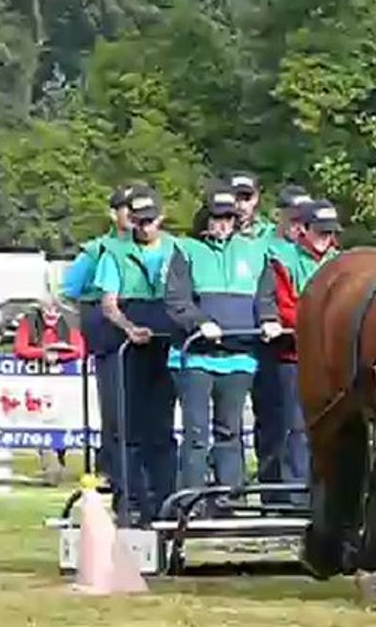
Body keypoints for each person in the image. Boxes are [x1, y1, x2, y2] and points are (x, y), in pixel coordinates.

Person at [164, 183, 283, 503]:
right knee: (196, 434)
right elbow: (176, 300)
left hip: (239, 357)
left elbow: (265, 298)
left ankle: (230, 500)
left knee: (230, 432)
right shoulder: (186, 250)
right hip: (195, 358)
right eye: (216, 218)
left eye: (228, 218)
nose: (222, 224)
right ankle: (190, 501)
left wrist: (269, 320)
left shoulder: (255, 251)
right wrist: (200, 322)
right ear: (205, 218)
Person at [94, 186, 179, 525]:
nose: (144, 228)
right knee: (129, 427)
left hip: (168, 344)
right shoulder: (114, 253)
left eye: (150, 221)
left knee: (162, 426)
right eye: (139, 221)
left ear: (161, 218)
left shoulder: (178, 249)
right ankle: (130, 500)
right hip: (130, 347)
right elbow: (108, 304)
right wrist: (129, 328)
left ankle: (165, 498)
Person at [257, 198, 341, 505]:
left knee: (333, 427)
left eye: (330, 232)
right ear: (302, 229)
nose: (326, 238)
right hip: (294, 356)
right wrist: (320, 322)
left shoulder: (341, 261)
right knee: (295, 426)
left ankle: (330, 494)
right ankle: (295, 496)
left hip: (333, 359)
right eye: (320, 231)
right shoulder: (281, 259)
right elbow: (280, 304)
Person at [58, 184, 134, 483]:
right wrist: (86, 327)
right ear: (114, 213)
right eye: (127, 208)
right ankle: (114, 471)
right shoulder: (96, 251)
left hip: (148, 337)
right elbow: (66, 295)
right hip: (110, 340)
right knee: (116, 411)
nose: (134, 214)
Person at [13, 297, 87, 484]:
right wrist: (43, 353)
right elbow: (20, 348)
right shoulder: (28, 322)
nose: (52, 314)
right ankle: (50, 466)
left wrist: (59, 355)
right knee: (41, 422)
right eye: (48, 310)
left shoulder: (70, 323)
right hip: (37, 382)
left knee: (62, 421)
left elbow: (79, 350)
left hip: (64, 385)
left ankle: (60, 461)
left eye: (56, 310)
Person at [229, 171, 273, 240]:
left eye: (247, 199)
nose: (242, 206)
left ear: (257, 197)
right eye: (236, 199)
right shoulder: (215, 236)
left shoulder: (269, 234)